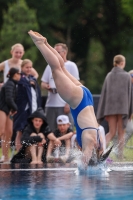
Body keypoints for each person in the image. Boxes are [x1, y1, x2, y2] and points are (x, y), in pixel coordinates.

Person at [28, 30, 106, 167]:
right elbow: (84, 166)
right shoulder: (91, 143)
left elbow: (100, 154)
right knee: (56, 68)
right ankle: (40, 44)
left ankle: (45, 43)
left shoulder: (98, 144)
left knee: (61, 67)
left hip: (86, 95)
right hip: (79, 102)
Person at [97, 55, 133, 159]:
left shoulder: (109, 75)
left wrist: (103, 111)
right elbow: (129, 95)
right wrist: (130, 111)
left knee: (111, 132)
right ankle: (120, 156)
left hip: (110, 108)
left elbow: (104, 93)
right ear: (122, 63)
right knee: (121, 132)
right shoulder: (126, 76)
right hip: (123, 108)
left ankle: (101, 152)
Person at [41, 43, 80, 131]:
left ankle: (66, 145)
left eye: (57, 52)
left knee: (65, 129)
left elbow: (76, 86)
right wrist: (47, 86)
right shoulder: (49, 66)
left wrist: (68, 104)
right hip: (51, 104)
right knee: (50, 129)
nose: (55, 54)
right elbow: (43, 83)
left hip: (63, 104)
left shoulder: (71, 66)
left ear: (64, 53)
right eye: (54, 52)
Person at [13, 59, 42, 152]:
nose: (29, 69)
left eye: (30, 67)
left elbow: (37, 95)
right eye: (27, 67)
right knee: (20, 131)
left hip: (33, 110)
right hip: (23, 110)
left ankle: (29, 153)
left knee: (32, 132)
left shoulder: (33, 79)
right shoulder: (19, 79)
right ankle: (19, 152)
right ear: (22, 68)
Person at [0, 68, 21, 163]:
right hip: (2, 109)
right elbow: (9, 99)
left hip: (8, 110)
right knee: (1, 132)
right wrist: (15, 108)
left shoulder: (13, 84)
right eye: (19, 73)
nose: (20, 75)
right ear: (14, 74)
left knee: (9, 133)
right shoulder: (9, 84)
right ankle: (4, 156)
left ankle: (5, 156)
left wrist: (13, 108)